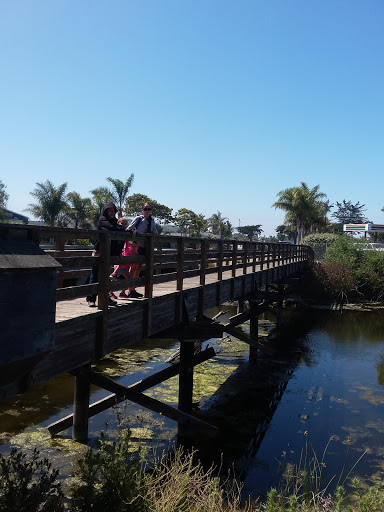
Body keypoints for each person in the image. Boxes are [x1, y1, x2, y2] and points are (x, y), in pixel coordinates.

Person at [86, 201, 124, 307]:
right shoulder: (102, 220)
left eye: (113, 211)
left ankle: (105, 298)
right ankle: (91, 299)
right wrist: (121, 228)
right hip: (99, 252)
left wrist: (130, 230)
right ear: (105, 211)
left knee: (105, 276)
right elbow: (112, 228)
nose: (111, 213)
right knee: (95, 276)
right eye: (109, 211)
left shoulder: (114, 221)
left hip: (108, 253)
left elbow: (121, 230)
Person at [126, 202, 158, 298]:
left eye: (149, 209)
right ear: (142, 210)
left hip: (146, 247)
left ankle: (133, 289)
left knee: (138, 268)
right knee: (133, 268)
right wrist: (133, 232)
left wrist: (153, 232)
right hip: (137, 246)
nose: (147, 211)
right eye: (145, 209)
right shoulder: (138, 219)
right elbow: (128, 228)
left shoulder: (152, 221)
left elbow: (156, 232)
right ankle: (130, 289)